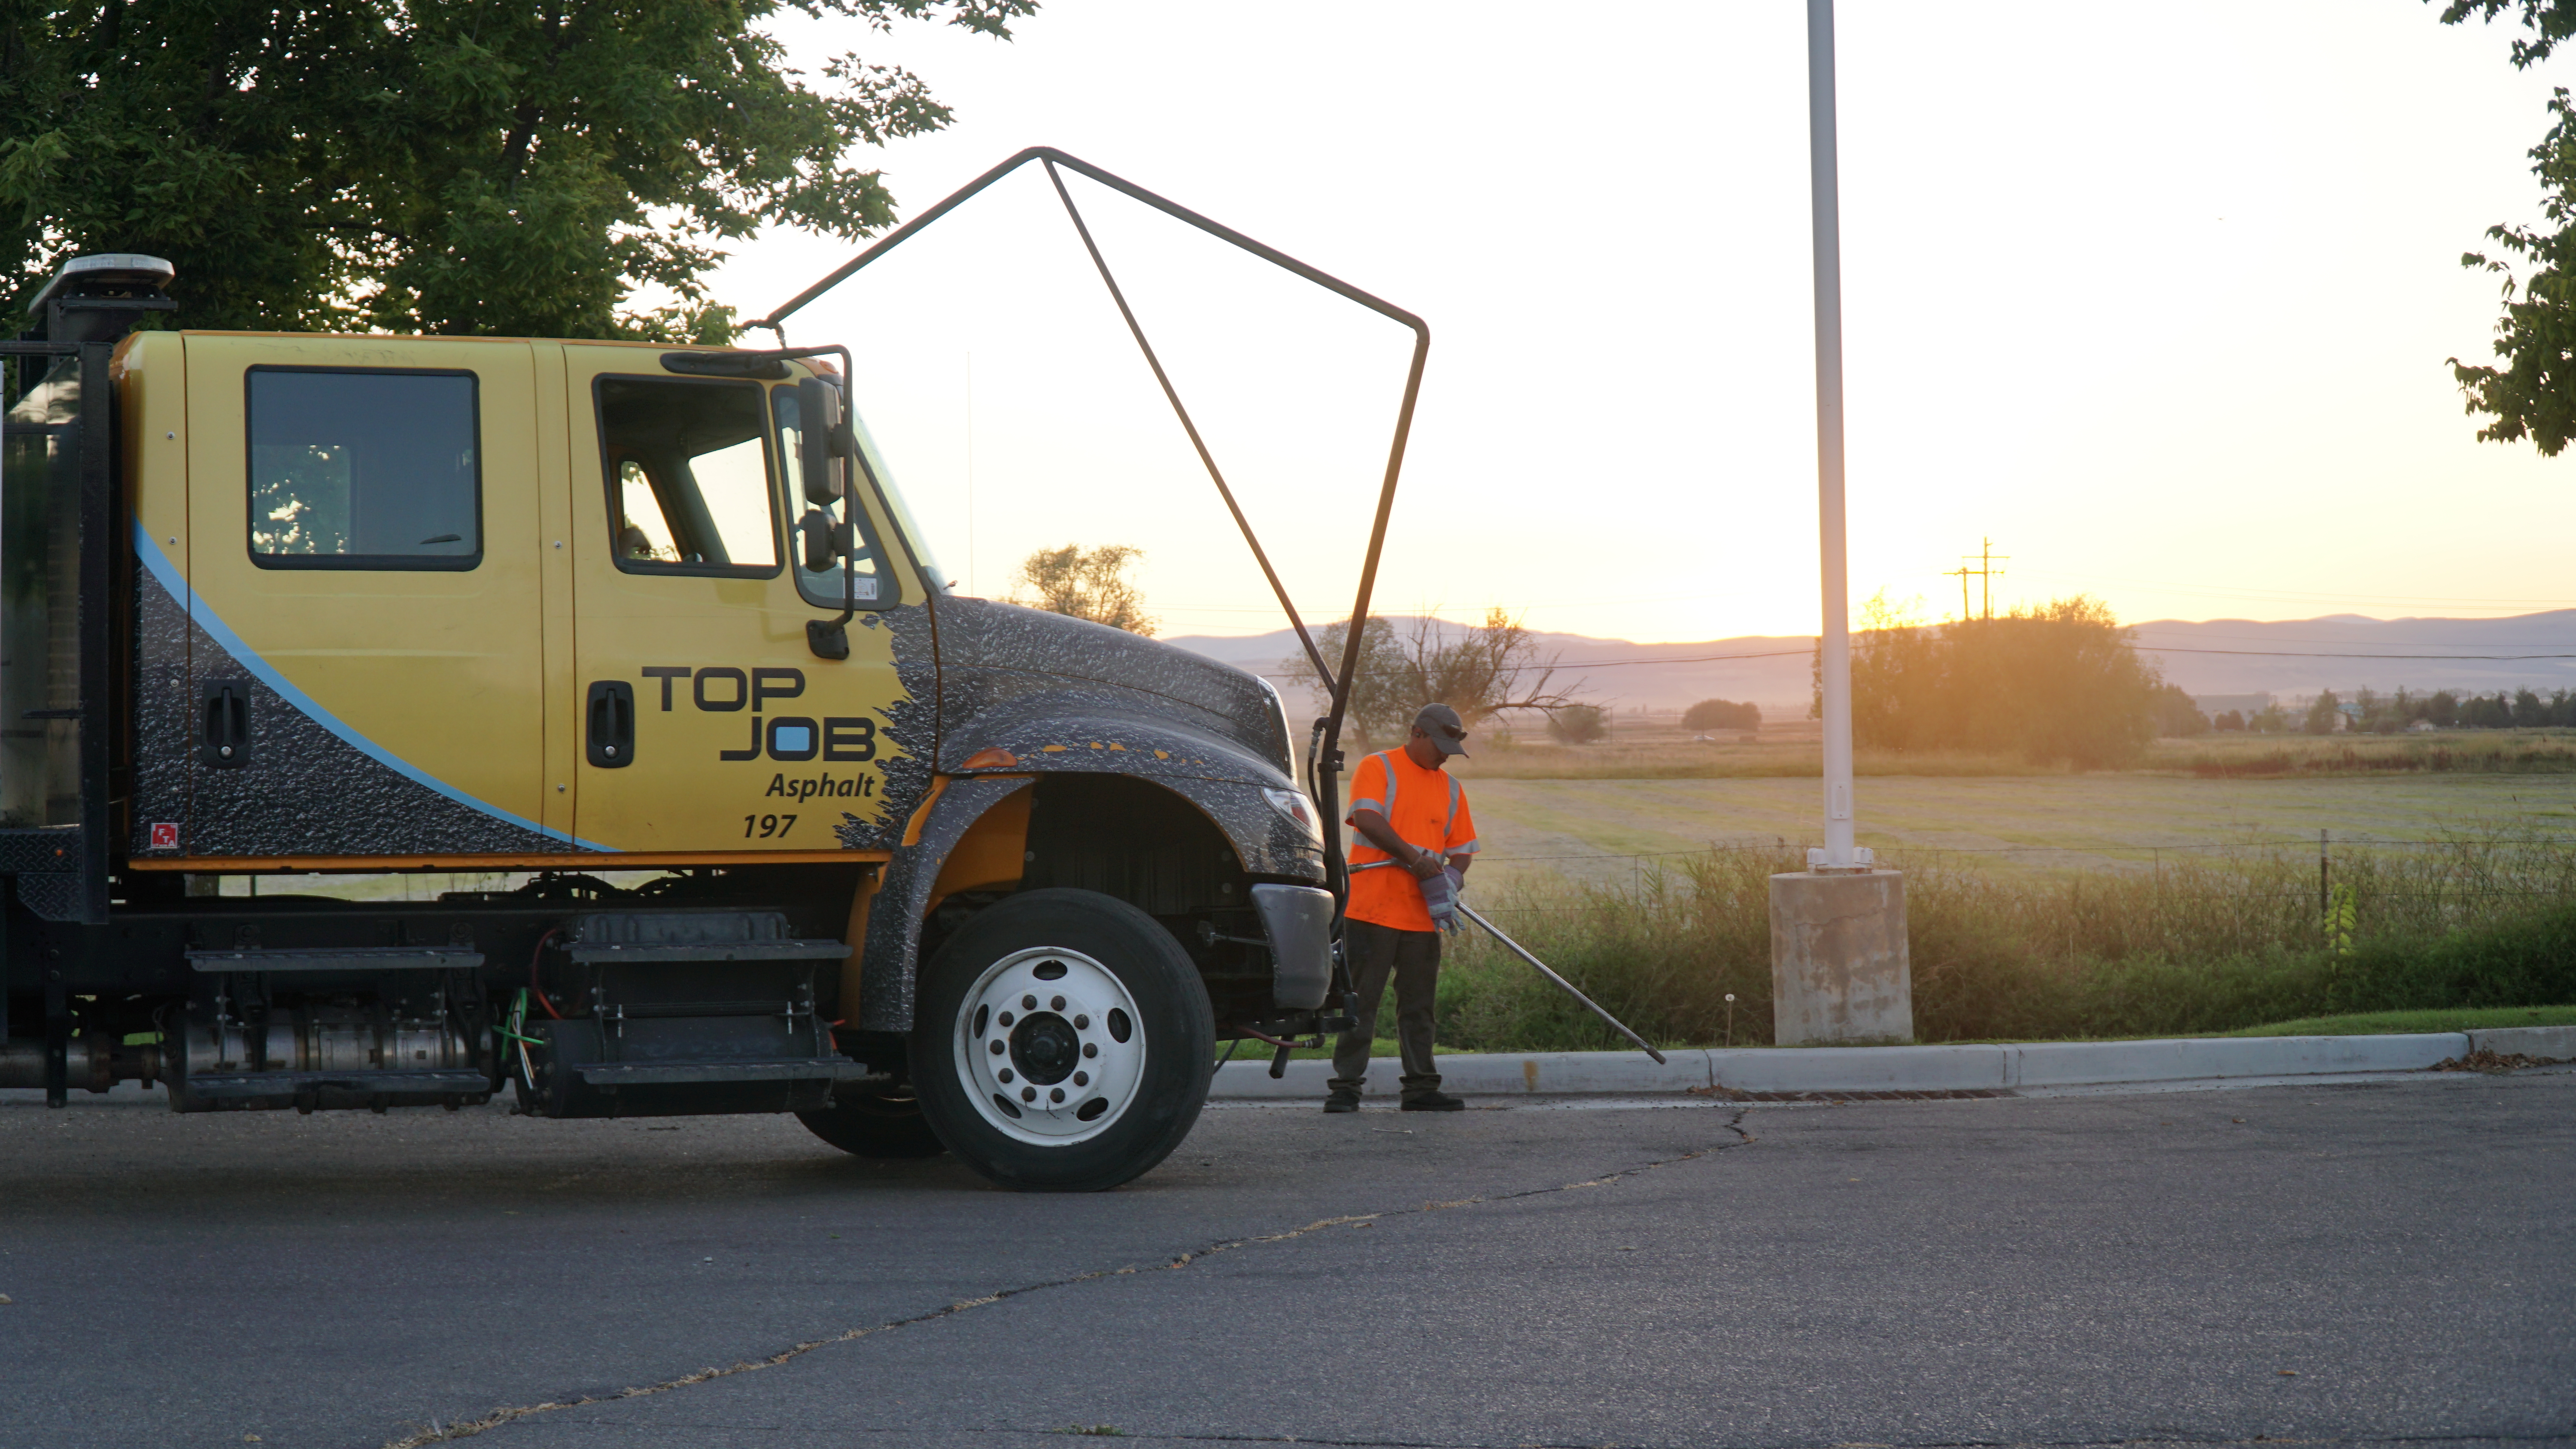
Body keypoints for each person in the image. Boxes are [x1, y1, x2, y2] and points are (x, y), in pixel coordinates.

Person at [1326, 703, 1479, 1113]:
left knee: (1418, 1005)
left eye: (1451, 748)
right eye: (1440, 745)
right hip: (1372, 909)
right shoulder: (1379, 768)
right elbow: (1367, 818)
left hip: (1423, 916)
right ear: (1417, 734)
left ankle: (1421, 1088)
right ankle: (1345, 1089)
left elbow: (1462, 851)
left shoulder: (1450, 788)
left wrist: (1452, 878)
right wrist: (1416, 859)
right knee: (1362, 1001)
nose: (1446, 755)